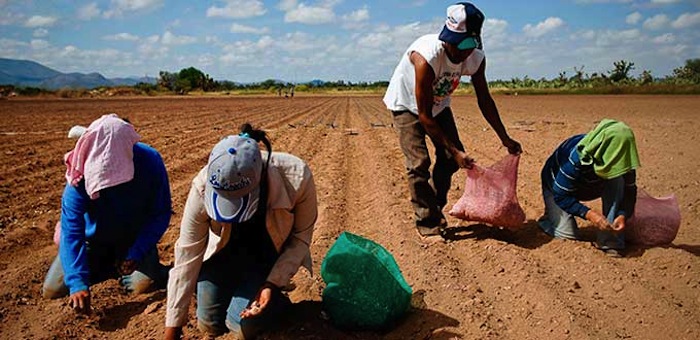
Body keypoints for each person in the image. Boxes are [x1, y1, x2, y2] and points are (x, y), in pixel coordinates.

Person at [164, 124, 318, 339]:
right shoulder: (202, 186)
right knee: (209, 324)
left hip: (268, 260)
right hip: (223, 257)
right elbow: (187, 255)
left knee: (241, 327)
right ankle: (237, 290)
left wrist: (272, 283)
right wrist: (172, 330)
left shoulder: (297, 177)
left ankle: (276, 302)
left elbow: (301, 238)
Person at [383, 2, 521, 239]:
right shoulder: (425, 57)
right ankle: (428, 225)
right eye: (452, 41)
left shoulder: (476, 59)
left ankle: (434, 206)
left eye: (465, 43)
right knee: (418, 163)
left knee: (449, 161)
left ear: (475, 41)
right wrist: (456, 150)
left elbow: (485, 100)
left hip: (439, 105)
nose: (457, 49)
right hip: (406, 104)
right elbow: (423, 116)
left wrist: (504, 137)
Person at [42, 114, 172, 313]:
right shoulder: (81, 170)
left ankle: (138, 268)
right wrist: (77, 282)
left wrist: (137, 251)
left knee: (141, 287)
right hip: (92, 243)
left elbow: (160, 213)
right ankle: (109, 268)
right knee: (53, 289)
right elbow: (71, 229)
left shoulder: (150, 161)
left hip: (133, 240)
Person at [539, 119, 640, 258]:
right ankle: (548, 220)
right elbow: (561, 195)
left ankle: (610, 240)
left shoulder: (623, 160)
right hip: (557, 188)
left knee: (617, 180)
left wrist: (623, 214)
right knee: (567, 234)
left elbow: (630, 191)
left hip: (593, 185)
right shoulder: (575, 157)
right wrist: (591, 215)